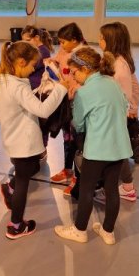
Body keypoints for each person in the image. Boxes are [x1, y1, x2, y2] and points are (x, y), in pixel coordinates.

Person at [54, 47, 132, 245]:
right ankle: (108, 231)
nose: (73, 77)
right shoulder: (112, 83)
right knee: (112, 189)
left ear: (85, 69)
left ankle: (80, 230)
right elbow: (124, 105)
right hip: (119, 147)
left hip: (97, 149)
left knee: (86, 189)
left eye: (74, 72)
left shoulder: (85, 92)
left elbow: (78, 124)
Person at [0, 41, 67, 240]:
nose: (34, 69)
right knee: (23, 183)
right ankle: (16, 225)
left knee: (32, 167)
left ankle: (8, 188)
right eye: (33, 65)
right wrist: (61, 89)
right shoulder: (19, 87)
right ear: (21, 62)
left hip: (12, 140)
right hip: (24, 144)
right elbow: (43, 110)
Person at [98, 22, 139, 202]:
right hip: (113, 115)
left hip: (112, 116)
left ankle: (121, 188)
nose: (99, 41)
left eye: (101, 38)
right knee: (117, 151)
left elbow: (123, 93)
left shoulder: (119, 66)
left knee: (115, 153)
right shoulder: (116, 61)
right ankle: (127, 186)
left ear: (111, 40)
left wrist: (133, 108)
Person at [49, 22, 87, 193]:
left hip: (78, 103)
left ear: (74, 40)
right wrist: (52, 62)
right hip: (66, 101)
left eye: (63, 42)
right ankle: (67, 170)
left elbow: (87, 79)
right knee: (67, 138)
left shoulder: (83, 54)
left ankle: (79, 177)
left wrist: (74, 89)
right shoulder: (65, 50)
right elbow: (58, 60)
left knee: (78, 140)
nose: (61, 45)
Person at [20, 25, 54, 159]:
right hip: (31, 90)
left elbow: (30, 67)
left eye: (28, 40)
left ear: (37, 38)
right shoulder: (33, 51)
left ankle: (42, 149)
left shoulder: (42, 51)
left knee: (41, 122)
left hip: (39, 92)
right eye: (23, 41)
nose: (26, 44)